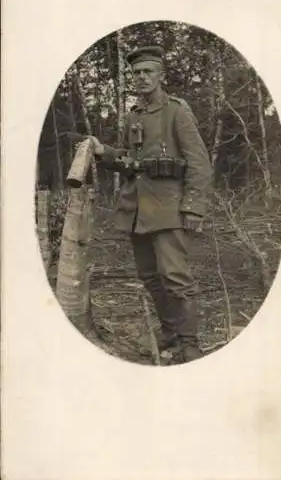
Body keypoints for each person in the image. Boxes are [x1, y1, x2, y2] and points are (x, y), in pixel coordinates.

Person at [92, 45, 212, 363]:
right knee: (149, 277)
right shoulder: (135, 114)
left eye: (148, 72)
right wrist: (103, 152)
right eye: (137, 73)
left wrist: (193, 207)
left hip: (169, 208)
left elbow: (199, 163)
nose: (142, 78)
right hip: (138, 211)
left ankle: (190, 344)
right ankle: (170, 332)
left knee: (175, 277)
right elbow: (132, 161)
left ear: (161, 75)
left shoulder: (176, 111)